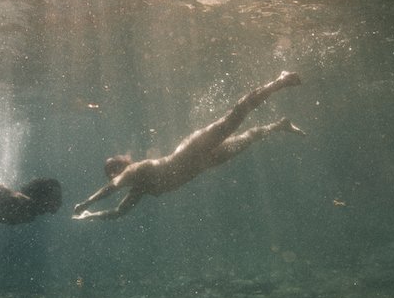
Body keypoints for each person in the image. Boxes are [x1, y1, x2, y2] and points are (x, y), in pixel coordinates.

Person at [73, 71, 305, 221]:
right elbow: (118, 212)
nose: (114, 180)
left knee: (235, 116)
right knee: (247, 139)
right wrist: (89, 215)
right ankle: (279, 125)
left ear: (119, 169)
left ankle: (279, 82)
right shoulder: (139, 188)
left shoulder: (136, 171)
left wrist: (87, 202)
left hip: (195, 149)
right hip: (205, 161)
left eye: (113, 175)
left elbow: (113, 186)